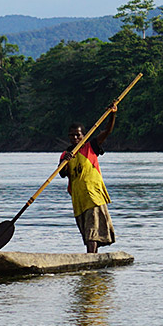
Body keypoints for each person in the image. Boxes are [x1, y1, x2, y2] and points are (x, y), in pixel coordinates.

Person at [59, 104, 117, 253]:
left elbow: (107, 131)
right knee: (86, 232)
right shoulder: (66, 155)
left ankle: (90, 258)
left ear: (83, 135)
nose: (75, 138)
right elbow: (62, 173)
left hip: (92, 195)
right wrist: (65, 160)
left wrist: (112, 114)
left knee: (92, 230)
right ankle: (92, 258)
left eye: (78, 135)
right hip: (79, 199)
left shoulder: (90, 147)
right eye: (72, 135)